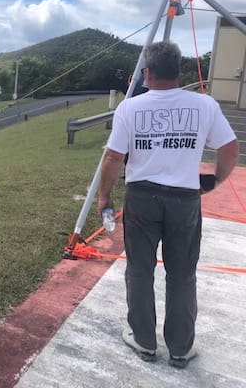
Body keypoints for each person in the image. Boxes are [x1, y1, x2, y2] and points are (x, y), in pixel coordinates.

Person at [97, 41, 239, 369]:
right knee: (182, 275)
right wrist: (214, 180)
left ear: (147, 73)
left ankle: (144, 341)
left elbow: (114, 156)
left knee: (140, 270)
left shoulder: (130, 108)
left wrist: (105, 197)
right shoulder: (204, 105)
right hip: (184, 201)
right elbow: (230, 149)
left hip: (142, 198)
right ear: (179, 71)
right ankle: (180, 349)